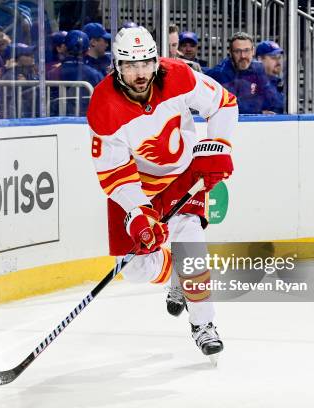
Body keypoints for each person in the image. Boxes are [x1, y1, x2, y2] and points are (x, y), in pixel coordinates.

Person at [87, 26, 238, 357]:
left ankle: (203, 323)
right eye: (130, 65)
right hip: (136, 184)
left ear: (156, 61)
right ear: (116, 66)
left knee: (191, 242)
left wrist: (219, 147)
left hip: (183, 174)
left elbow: (224, 104)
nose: (139, 74)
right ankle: (177, 275)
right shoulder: (103, 105)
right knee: (137, 270)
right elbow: (113, 172)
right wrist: (139, 213)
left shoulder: (179, 76)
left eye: (145, 64)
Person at [206, 32, 282, 114]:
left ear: (253, 51)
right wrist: (259, 112)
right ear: (230, 53)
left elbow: (274, 100)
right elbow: (230, 105)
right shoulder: (220, 73)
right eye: (237, 51)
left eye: (247, 50)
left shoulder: (258, 68)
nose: (243, 56)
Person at [47, 30, 103, 116]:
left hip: (55, 123)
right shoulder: (96, 75)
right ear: (87, 50)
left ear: (65, 47)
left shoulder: (51, 73)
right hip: (87, 123)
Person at [256, 40, 285, 114]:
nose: (278, 61)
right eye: (273, 57)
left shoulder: (278, 83)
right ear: (260, 59)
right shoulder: (251, 82)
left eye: (279, 57)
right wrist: (260, 113)